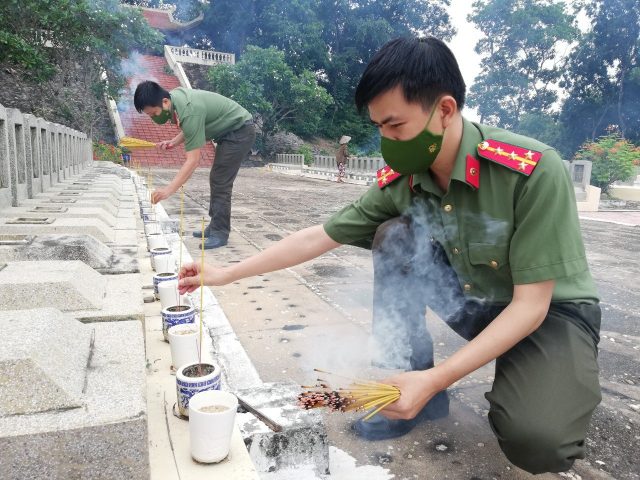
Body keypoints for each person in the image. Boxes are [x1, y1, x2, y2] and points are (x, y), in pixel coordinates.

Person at [177, 37, 601, 474]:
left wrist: (443, 375)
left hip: (548, 314)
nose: (387, 141)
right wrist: (226, 273)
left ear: (445, 110)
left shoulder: (531, 170)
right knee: (394, 235)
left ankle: (490, 383)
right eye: (378, 127)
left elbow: (531, 306)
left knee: (538, 441)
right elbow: (317, 237)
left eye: (396, 126)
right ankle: (412, 390)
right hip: (474, 303)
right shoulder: (404, 178)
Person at [133, 81, 256, 249]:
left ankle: (220, 232)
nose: (154, 118)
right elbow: (191, 127)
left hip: (239, 131)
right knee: (216, 179)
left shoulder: (189, 110)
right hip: (229, 132)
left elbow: (193, 161)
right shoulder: (176, 98)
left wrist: (168, 190)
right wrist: (173, 142)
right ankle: (215, 226)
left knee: (220, 180)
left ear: (165, 102)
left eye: (154, 113)